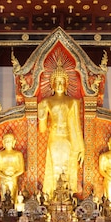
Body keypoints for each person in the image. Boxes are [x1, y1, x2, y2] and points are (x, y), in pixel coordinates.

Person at [37, 62, 85, 197]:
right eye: (57, 82)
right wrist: (41, 116)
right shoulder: (46, 102)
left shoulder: (73, 102)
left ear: (66, 83)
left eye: (62, 82)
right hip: (54, 138)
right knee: (55, 165)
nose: (59, 85)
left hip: (68, 138)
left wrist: (82, 147)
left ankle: (67, 196)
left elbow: (76, 126)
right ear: (52, 84)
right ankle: (53, 196)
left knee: (67, 166)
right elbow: (42, 130)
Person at [0, 133, 25, 203]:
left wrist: (12, 176)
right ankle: (3, 209)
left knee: (12, 196)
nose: (8, 142)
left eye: (10, 140)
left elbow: (21, 169)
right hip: (4, 178)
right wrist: (5, 176)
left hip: (13, 178)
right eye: (6, 140)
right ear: (3, 142)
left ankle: (13, 209)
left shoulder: (18, 154)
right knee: (4, 196)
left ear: (13, 142)